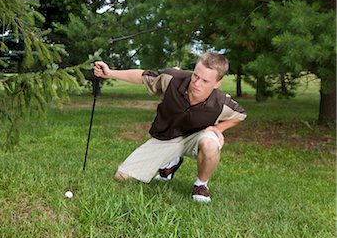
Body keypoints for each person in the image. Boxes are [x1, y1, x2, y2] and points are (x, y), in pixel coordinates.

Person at [94, 52, 247, 203]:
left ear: (217, 83)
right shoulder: (172, 79)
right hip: (166, 137)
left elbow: (240, 115)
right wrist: (109, 73)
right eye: (195, 76)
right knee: (122, 177)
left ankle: (201, 185)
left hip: (197, 137)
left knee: (210, 143)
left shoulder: (221, 103)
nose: (197, 83)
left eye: (205, 81)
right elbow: (143, 76)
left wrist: (219, 129)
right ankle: (172, 160)